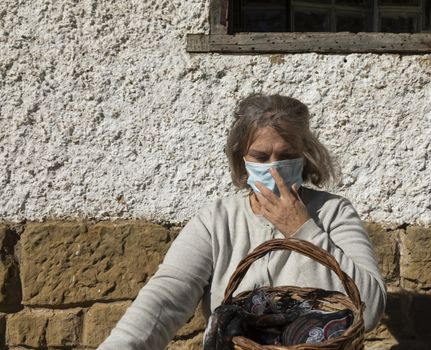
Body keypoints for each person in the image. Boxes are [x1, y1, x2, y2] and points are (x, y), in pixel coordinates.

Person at [98, 94, 387, 349]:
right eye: (260, 157)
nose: (273, 166)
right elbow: (165, 297)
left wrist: (303, 229)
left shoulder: (334, 212)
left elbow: (370, 308)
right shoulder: (217, 220)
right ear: (242, 161)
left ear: (305, 157)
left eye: (286, 156)